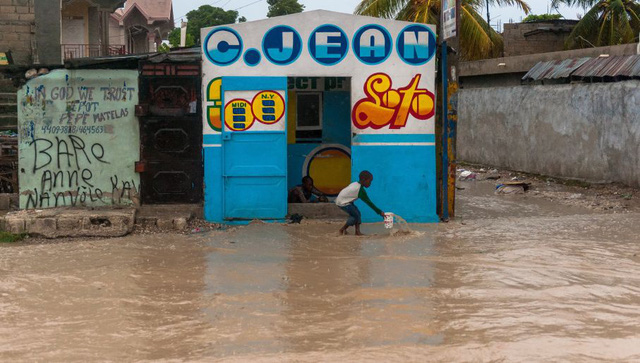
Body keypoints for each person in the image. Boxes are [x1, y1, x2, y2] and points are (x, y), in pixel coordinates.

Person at [335, 170, 385, 236]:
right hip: (343, 203)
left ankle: (356, 232)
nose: (370, 183)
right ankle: (343, 229)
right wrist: (380, 212)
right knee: (355, 215)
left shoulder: (356, 183)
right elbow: (369, 203)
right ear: (364, 180)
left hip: (343, 200)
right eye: (370, 181)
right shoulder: (360, 190)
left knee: (357, 213)